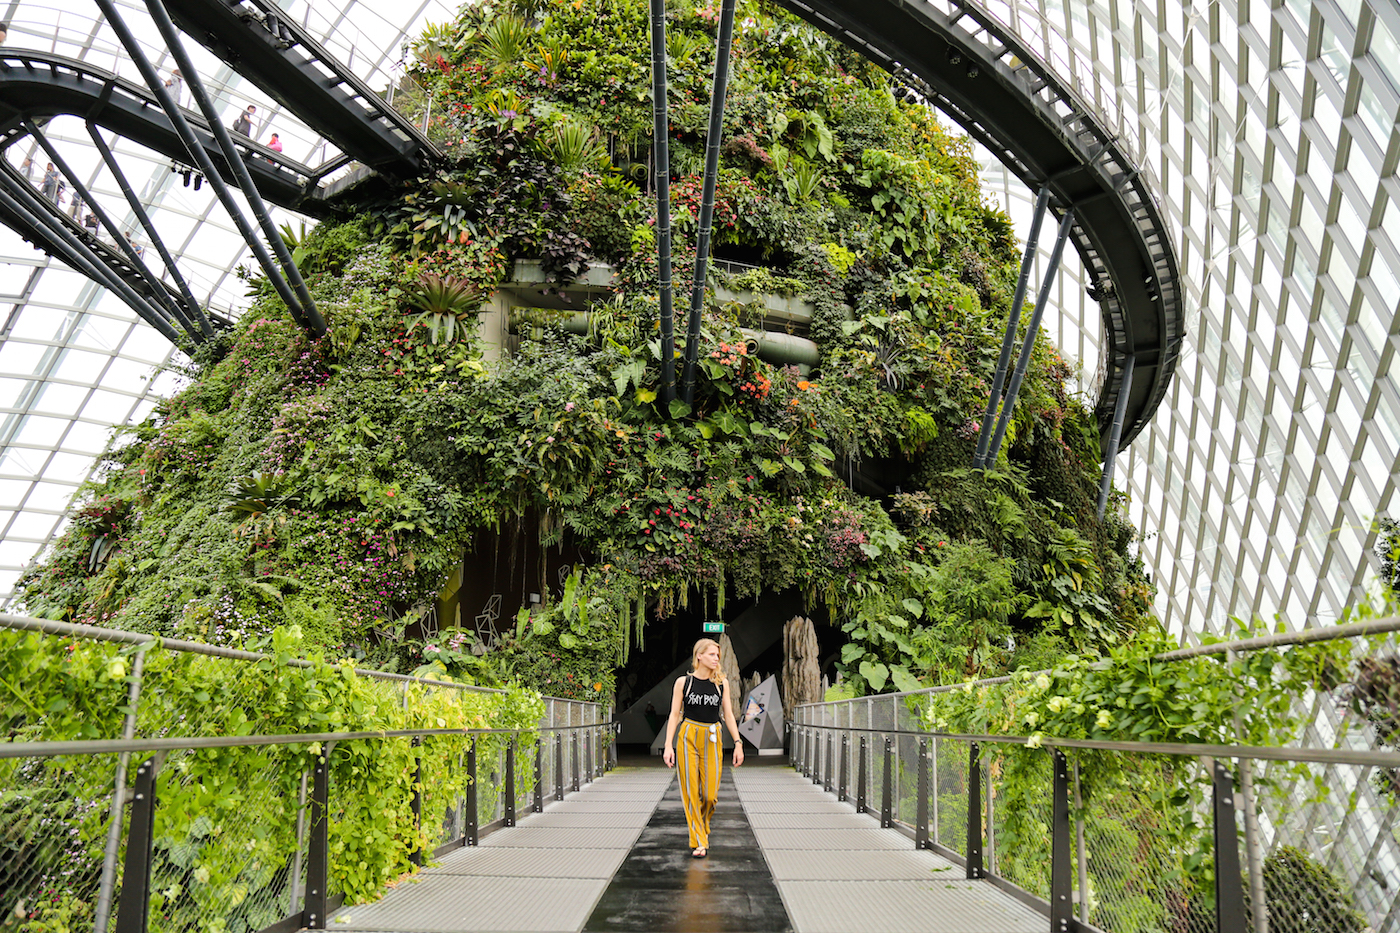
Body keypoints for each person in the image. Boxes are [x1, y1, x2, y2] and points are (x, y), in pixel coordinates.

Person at [662, 637, 744, 858]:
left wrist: (738, 743)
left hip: (712, 737)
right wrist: (668, 745)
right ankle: (699, 839)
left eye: (717, 655)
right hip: (688, 735)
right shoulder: (683, 683)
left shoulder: (721, 683)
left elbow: (728, 715)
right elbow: (674, 715)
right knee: (690, 791)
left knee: (709, 795)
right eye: (711, 654)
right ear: (699, 656)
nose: (716, 658)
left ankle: (702, 827)